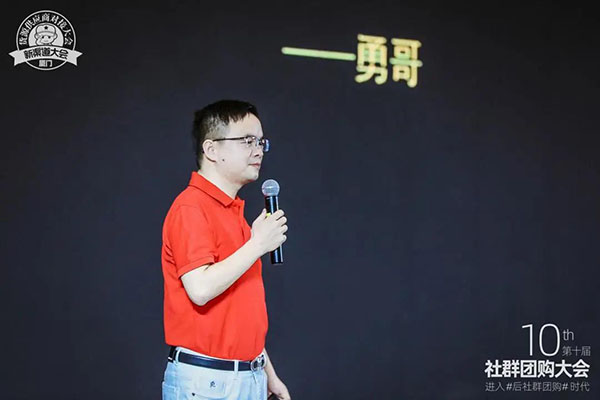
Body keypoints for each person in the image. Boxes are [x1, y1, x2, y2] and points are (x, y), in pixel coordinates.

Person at [160, 99, 291, 400]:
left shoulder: (234, 214)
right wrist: (258, 244)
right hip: (208, 382)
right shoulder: (191, 207)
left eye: (261, 142)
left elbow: (239, 311)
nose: (258, 150)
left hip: (247, 376)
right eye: (247, 141)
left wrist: (268, 374)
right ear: (211, 149)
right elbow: (201, 288)